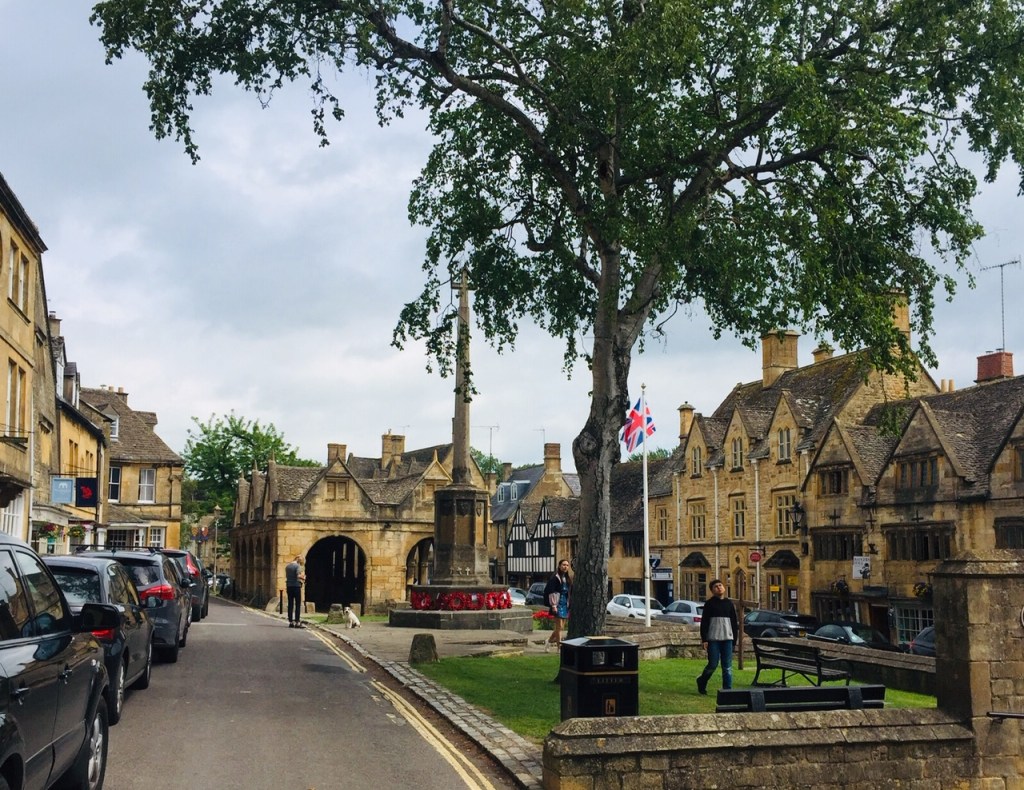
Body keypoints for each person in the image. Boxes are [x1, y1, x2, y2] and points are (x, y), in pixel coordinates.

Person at [696, 578, 738, 695]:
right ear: (712, 590)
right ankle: (702, 681)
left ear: (724, 587)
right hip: (713, 639)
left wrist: (734, 640)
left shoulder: (729, 604)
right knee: (713, 664)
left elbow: (734, 623)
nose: (719, 587)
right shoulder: (709, 604)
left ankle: (727, 691)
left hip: (727, 639)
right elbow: (704, 623)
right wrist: (704, 639)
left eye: (720, 585)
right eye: (716, 586)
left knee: (727, 667)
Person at [543, 559, 572, 651]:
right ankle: (559, 648)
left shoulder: (567, 579)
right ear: (559, 566)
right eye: (563, 565)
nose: (565, 567)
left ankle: (549, 641)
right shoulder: (555, 578)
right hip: (557, 604)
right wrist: (553, 605)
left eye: (567, 565)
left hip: (565, 604)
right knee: (559, 627)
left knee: (561, 627)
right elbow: (551, 592)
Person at [285, 554, 306, 628]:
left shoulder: (287, 566)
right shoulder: (297, 566)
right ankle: (297, 621)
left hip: (289, 586)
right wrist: (303, 577)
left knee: (290, 604)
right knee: (297, 604)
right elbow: (298, 575)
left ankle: (291, 621)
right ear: (298, 560)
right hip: (296, 586)